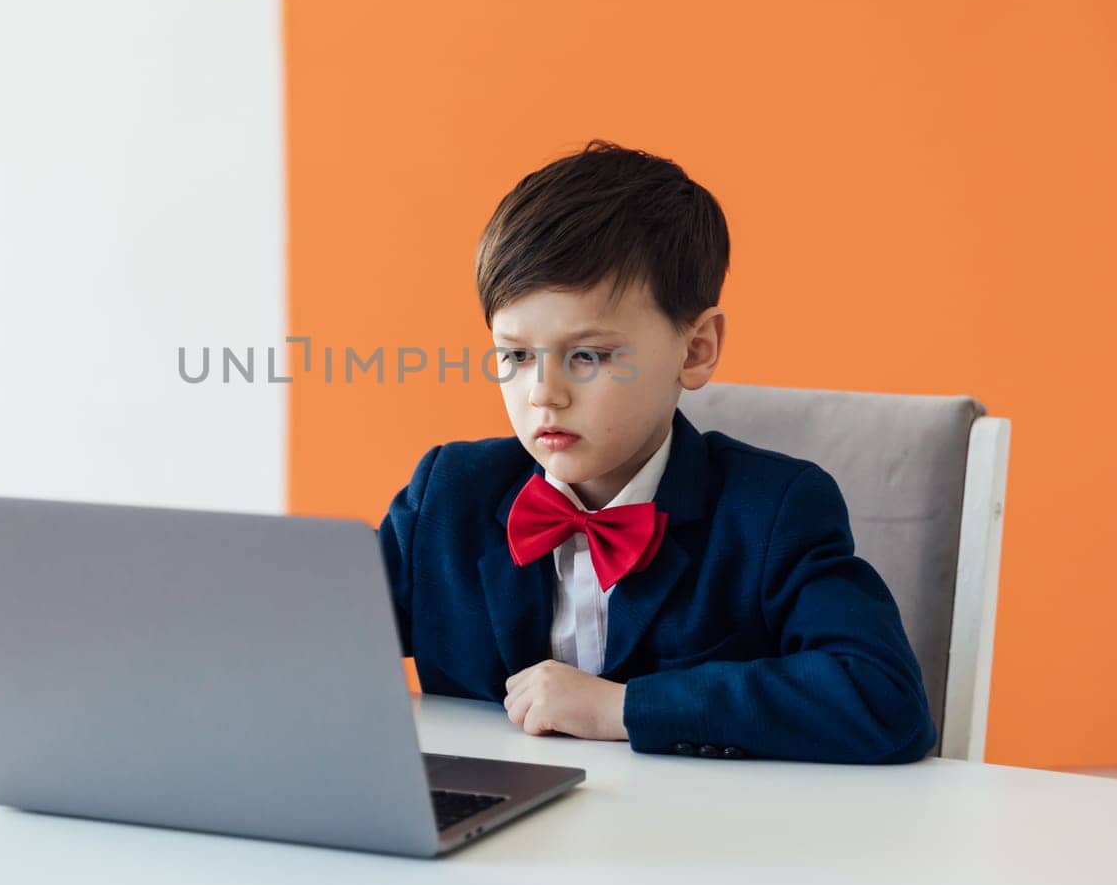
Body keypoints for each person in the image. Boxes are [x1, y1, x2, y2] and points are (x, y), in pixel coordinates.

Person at [376, 139, 935, 763]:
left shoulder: (773, 512)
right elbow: (305, 641)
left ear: (695, 350)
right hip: (489, 839)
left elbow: (884, 700)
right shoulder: (448, 495)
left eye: (587, 355)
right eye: (516, 355)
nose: (544, 395)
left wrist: (620, 706)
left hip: (696, 848)